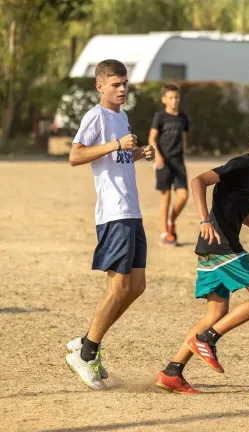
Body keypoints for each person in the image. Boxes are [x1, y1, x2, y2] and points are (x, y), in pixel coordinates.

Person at [155, 114, 249, 394]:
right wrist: (204, 220)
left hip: (214, 249)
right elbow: (199, 181)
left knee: (215, 313)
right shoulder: (241, 165)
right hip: (220, 246)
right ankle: (209, 340)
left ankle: (172, 372)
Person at [65, 59, 155, 390]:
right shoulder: (96, 116)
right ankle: (86, 353)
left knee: (137, 286)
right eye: (115, 84)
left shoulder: (121, 117)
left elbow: (117, 158)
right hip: (114, 213)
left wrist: (138, 153)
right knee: (118, 288)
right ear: (100, 86)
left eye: (125, 84)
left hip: (132, 212)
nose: (122, 89)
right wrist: (117, 144)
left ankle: (88, 343)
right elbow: (75, 155)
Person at [148, 84, 190, 246]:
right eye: (171, 98)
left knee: (183, 196)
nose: (174, 101)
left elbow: (184, 139)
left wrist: (183, 155)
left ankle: (172, 221)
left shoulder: (183, 118)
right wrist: (157, 156)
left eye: (177, 97)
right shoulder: (160, 116)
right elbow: (152, 138)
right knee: (165, 198)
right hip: (163, 161)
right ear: (164, 99)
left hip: (178, 162)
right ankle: (165, 232)